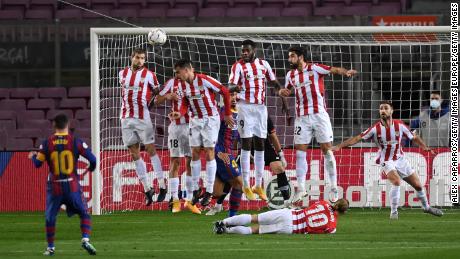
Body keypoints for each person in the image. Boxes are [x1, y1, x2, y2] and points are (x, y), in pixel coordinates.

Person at [331, 100, 444, 219]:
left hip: (400, 159)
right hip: (386, 160)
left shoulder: (399, 125)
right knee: (396, 182)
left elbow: (414, 137)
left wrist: (424, 147)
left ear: (391, 111)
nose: (383, 111)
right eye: (381, 109)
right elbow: (358, 138)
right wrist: (339, 146)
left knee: (418, 186)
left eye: (385, 108)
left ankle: (426, 207)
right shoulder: (375, 128)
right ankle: (394, 213)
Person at [279, 46, 357, 203]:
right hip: (301, 118)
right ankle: (301, 188)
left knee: (327, 152)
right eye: (289, 56)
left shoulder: (315, 68)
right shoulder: (290, 75)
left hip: (319, 116)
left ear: (301, 57)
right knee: (300, 152)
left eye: (292, 56)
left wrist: (345, 72)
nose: (290, 59)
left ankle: (334, 187)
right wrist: (283, 96)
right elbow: (286, 91)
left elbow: (333, 69)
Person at [29, 114, 97, 256]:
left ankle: (51, 248)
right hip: (72, 186)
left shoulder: (47, 143)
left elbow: (37, 164)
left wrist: (33, 156)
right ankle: (85, 239)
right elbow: (93, 159)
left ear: (54, 126)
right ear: (68, 125)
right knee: (84, 213)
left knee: (50, 217)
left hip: (55, 187)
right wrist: (91, 168)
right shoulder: (75, 142)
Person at [170, 59, 234, 207]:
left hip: (210, 119)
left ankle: (209, 190)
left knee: (210, 151)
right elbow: (185, 102)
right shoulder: (182, 85)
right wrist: (180, 113)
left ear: (186, 70)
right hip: (195, 120)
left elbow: (224, 91)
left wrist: (228, 113)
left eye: (178, 72)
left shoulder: (204, 80)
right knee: (195, 153)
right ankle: (196, 189)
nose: (177, 76)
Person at [228, 39, 283, 201]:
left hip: (260, 108)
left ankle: (258, 185)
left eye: (247, 50)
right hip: (244, 107)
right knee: (247, 143)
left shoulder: (264, 64)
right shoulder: (237, 66)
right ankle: (246, 184)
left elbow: (274, 82)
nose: (244, 53)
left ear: (254, 50)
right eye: (242, 50)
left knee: (260, 143)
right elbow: (229, 85)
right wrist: (235, 88)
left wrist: (282, 92)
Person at [119, 48, 166, 206]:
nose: (140, 61)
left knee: (150, 149)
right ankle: (148, 189)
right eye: (137, 58)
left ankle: (162, 184)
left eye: (143, 58)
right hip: (126, 118)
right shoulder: (122, 74)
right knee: (134, 153)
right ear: (132, 58)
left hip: (142, 118)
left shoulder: (149, 75)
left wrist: (149, 104)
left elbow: (157, 93)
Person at [156, 77, 200, 214]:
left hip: (191, 127)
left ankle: (189, 199)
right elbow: (157, 100)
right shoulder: (171, 83)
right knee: (175, 161)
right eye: (176, 72)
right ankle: (175, 199)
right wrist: (167, 96)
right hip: (175, 128)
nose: (178, 74)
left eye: (180, 71)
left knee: (190, 162)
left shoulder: (195, 84)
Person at [213, 198, 349, 235]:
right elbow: (322, 231)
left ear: (336, 202)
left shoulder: (323, 203)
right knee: (254, 229)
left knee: (254, 217)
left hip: (289, 214)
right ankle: (226, 231)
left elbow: (309, 209)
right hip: (291, 229)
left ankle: (223, 222)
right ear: (343, 212)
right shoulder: (332, 227)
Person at [206, 92, 244, 216]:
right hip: (222, 153)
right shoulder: (222, 113)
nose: (233, 98)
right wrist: (217, 152)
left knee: (217, 193)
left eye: (235, 95)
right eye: (230, 95)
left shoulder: (240, 113)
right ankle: (232, 217)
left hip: (229, 152)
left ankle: (201, 195)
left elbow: (237, 136)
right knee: (238, 183)